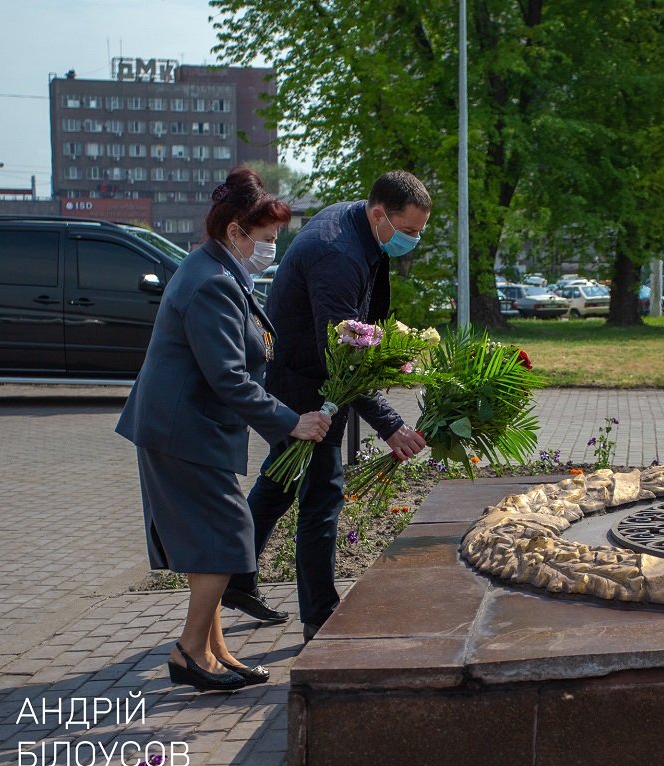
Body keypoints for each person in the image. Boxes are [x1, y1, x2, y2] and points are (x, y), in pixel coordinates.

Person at [116, 167, 331, 692]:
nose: (270, 249)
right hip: (182, 431)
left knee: (208, 539)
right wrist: (291, 423)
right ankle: (190, 651)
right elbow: (229, 377)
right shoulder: (213, 282)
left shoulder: (217, 269)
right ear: (235, 231)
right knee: (228, 536)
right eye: (266, 239)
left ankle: (214, 650)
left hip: (185, 428)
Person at [222, 170, 433, 642]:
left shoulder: (361, 226)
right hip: (306, 385)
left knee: (280, 481)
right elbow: (342, 357)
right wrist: (392, 426)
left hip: (306, 371)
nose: (414, 241)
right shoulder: (338, 253)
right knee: (322, 495)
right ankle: (320, 614)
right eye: (410, 232)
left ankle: (234, 578)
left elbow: (357, 334)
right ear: (380, 214)